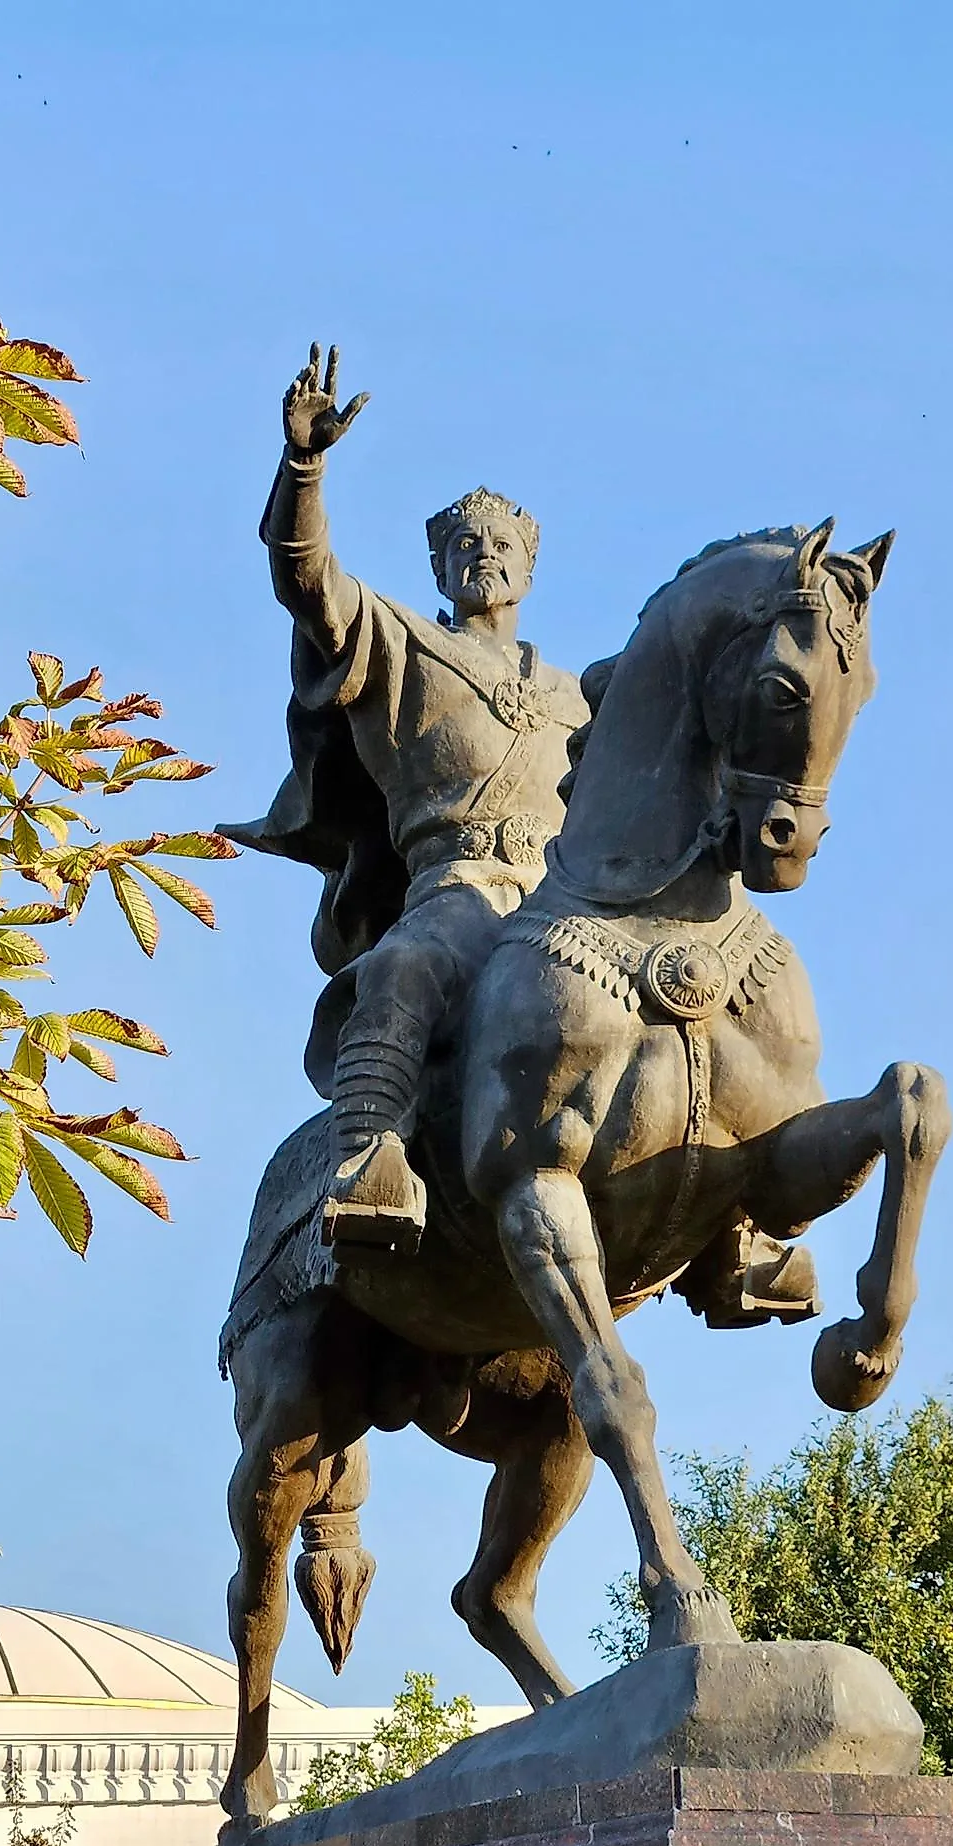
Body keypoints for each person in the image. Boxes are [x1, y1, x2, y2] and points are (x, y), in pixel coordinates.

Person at [223, 345, 589, 1255]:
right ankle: (372, 1157)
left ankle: (738, 1203)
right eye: (465, 545)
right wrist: (304, 466)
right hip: (455, 892)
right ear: (439, 566)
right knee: (396, 972)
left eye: (502, 545)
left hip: (569, 904)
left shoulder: (587, 696)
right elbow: (307, 585)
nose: (484, 557)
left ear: (530, 566)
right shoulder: (403, 647)